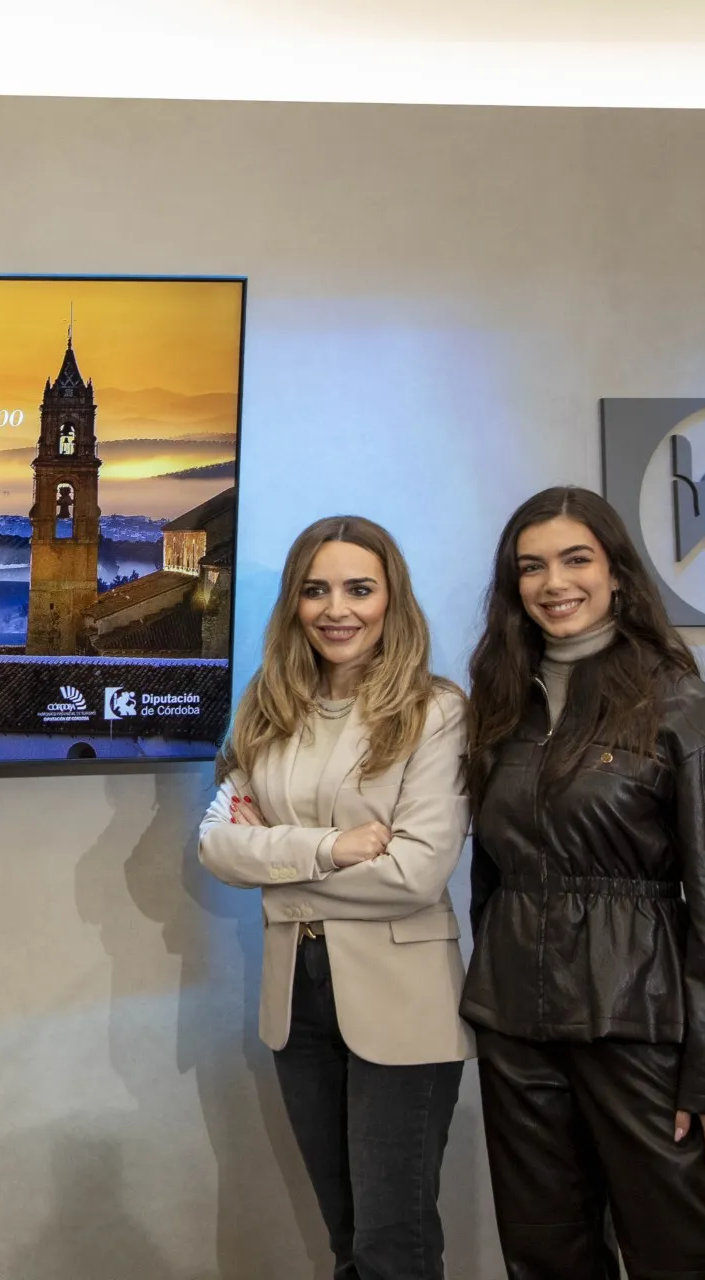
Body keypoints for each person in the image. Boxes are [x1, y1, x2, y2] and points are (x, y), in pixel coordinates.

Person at [461, 486, 705, 1280]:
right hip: (515, 1025)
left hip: (640, 1021)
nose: (553, 582)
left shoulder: (682, 708)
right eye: (531, 566)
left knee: (680, 1253)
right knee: (545, 1255)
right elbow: (489, 882)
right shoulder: (500, 707)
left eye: (575, 558)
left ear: (617, 572)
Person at [199, 515, 472, 1280]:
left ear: (393, 600)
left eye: (359, 588)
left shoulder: (435, 711)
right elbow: (219, 845)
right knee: (346, 1241)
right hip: (299, 1002)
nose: (336, 609)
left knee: (394, 1245)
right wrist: (328, 847)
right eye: (315, 590)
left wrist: (279, 875)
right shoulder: (269, 709)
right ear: (294, 604)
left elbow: (416, 873)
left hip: (404, 1003)